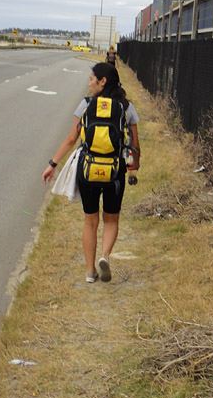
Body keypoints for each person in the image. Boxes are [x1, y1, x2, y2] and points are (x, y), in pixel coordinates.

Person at [42, 63, 140, 283]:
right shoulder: (126, 107)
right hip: (114, 171)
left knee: (90, 221)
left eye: (91, 79)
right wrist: (134, 167)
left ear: (102, 82)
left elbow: (71, 139)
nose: (89, 84)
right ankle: (105, 256)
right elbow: (134, 145)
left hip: (87, 170)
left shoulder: (87, 105)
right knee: (111, 220)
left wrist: (53, 164)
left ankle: (90, 272)